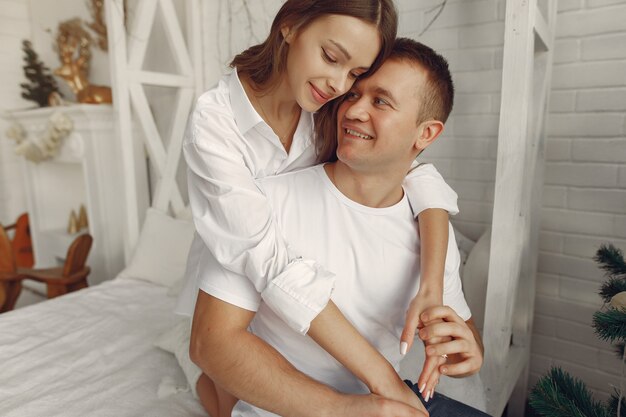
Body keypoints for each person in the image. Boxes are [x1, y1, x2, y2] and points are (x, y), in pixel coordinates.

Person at [176, 0, 457, 413]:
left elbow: (415, 171)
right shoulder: (214, 124)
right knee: (227, 384)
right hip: (235, 271)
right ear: (289, 26)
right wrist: (384, 380)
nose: (338, 84)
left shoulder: (332, 106)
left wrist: (432, 282)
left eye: (356, 73)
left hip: (288, 294)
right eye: (331, 57)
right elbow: (270, 262)